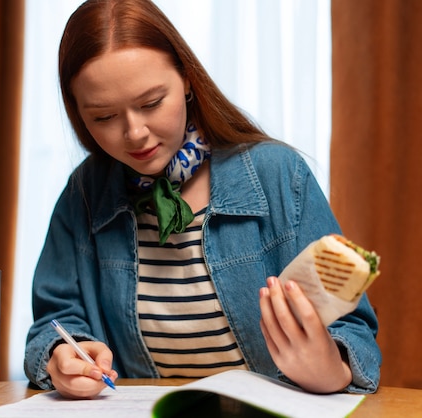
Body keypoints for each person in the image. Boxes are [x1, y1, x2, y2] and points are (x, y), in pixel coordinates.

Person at [24, 0, 381, 399]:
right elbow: (53, 322)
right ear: (78, 113)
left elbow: (355, 333)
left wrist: (331, 368)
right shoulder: (84, 194)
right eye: (104, 117)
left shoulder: (278, 174)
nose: (135, 133)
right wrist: (61, 354)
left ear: (189, 79)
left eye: (151, 103)